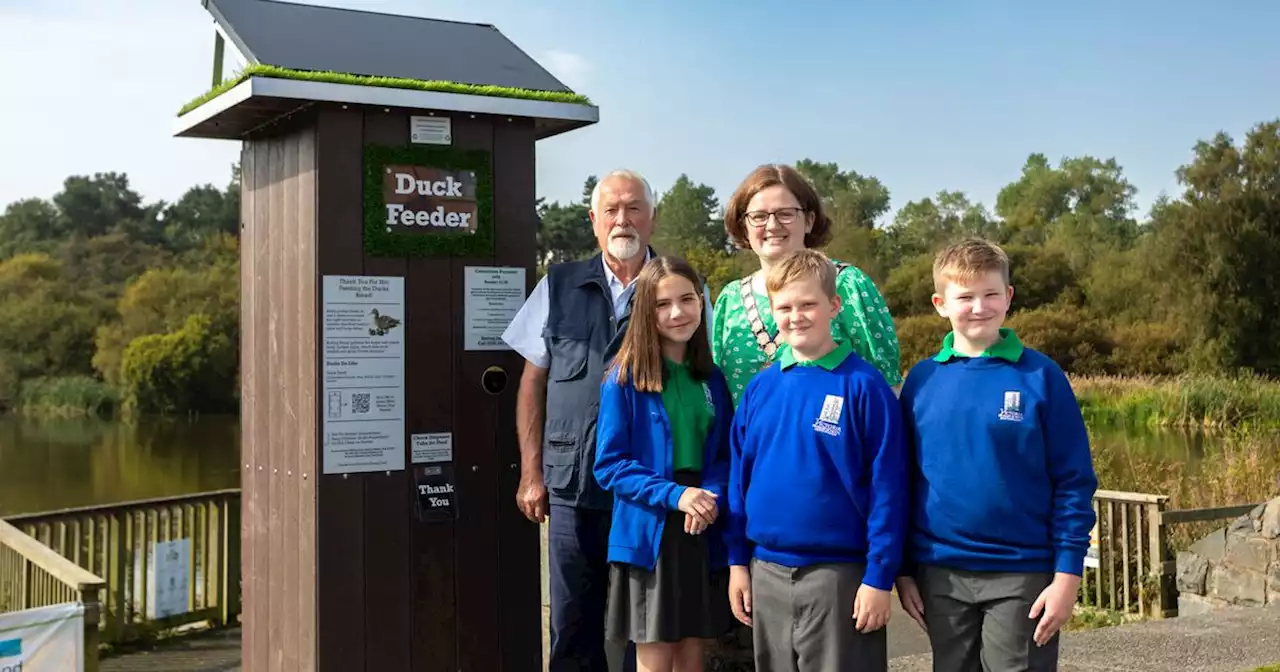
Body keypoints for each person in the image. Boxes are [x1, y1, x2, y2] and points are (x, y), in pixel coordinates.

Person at [893, 238, 1099, 672]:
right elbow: (904, 481)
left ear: (1008, 297)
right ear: (940, 303)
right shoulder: (922, 381)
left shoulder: (1041, 375)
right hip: (940, 572)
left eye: (990, 294)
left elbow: (1074, 482)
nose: (979, 307)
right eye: (964, 297)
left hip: (1022, 572)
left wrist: (1067, 576)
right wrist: (904, 569)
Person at [502, 169, 660, 671]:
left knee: (650, 622)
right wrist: (532, 473)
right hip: (572, 483)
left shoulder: (677, 285)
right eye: (611, 209)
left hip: (647, 485)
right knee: (572, 622)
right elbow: (532, 383)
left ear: (651, 218)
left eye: (634, 207)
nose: (623, 219)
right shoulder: (559, 284)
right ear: (593, 221)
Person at [724, 249, 908, 672]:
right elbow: (739, 480)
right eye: (785, 307)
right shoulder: (760, 388)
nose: (797, 316)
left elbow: (889, 489)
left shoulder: (864, 386)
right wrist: (737, 562)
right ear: (772, 312)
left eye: (808, 304)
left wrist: (879, 577)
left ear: (834, 306)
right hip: (765, 570)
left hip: (839, 576)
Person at [593, 256, 734, 672]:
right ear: (645, 312)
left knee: (693, 659)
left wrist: (711, 495)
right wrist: (677, 495)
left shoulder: (712, 379)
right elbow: (610, 465)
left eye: (687, 299)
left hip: (700, 527)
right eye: (662, 303)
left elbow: (725, 454)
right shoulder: (624, 377)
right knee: (656, 662)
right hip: (650, 533)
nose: (678, 312)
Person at [711, 163, 901, 407]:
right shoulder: (731, 299)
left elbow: (887, 387)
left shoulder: (847, 285)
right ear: (744, 226)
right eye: (758, 216)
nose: (772, 225)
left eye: (785, 214)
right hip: (750, 444)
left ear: (809, 220)